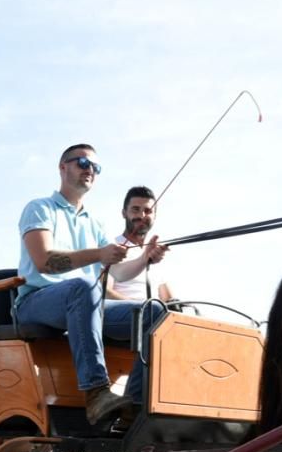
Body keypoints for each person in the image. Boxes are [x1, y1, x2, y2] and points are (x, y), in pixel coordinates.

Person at [15, 144, 168, 424]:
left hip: (82, 302)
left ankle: (133, 405)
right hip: (36, 301)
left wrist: (145, 258)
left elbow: (119, 274)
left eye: (95, 167)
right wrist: (99, 254)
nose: (90, 170)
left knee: (156, 313)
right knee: (84, 287)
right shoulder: (39, 208)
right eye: (83, 163)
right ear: (63, 167)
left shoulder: (94, 223)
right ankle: (97, 392)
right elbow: (44, 261)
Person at [107, 186, 175, 303]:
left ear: (155, 216)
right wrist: (142, 308)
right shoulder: (112, 247)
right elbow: (105, 292)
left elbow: (169, 299)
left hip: (155, 315)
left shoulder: (156, 252)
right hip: (129, 316)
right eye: (135, 209)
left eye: (148, 211)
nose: (142, 216)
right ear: (124, 213)